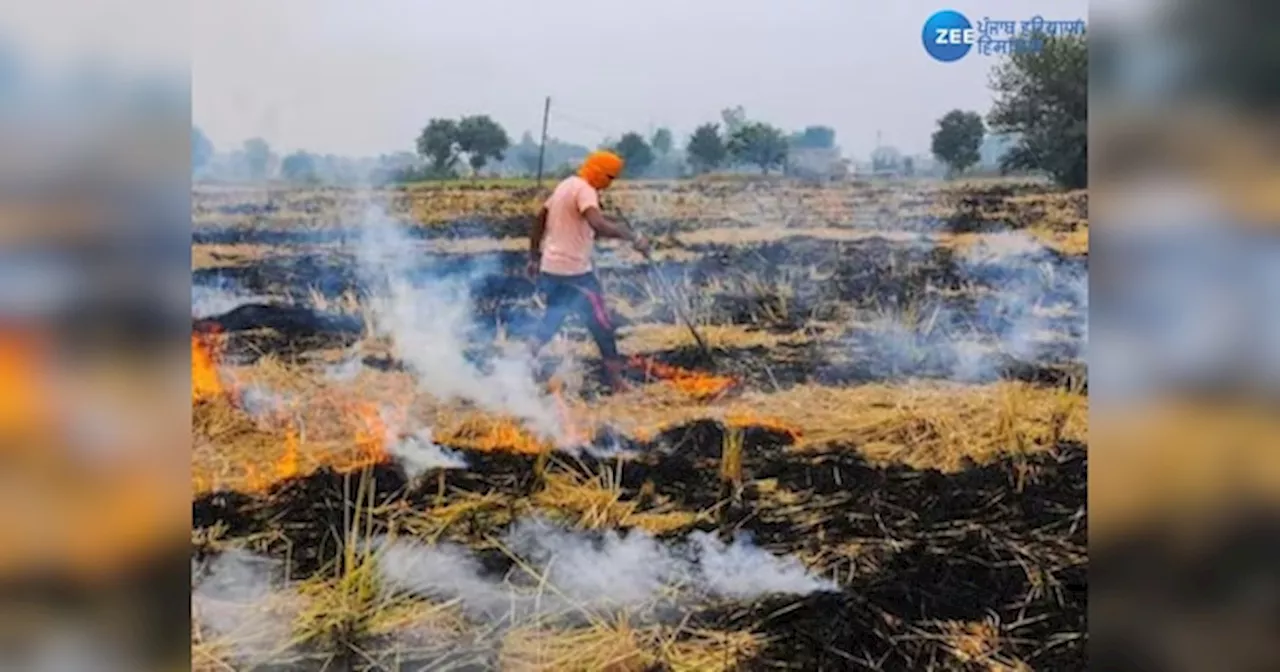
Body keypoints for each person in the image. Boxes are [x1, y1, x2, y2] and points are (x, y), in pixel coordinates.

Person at [527, 150, 650, 393]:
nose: (610, 184)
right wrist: (632, 236)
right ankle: (616, 381)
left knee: (554, 317)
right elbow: (597, 224)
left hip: (551, 269)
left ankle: (522, 362)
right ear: (598, 172)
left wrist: (534, 256)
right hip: (574, 272)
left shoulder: (565, 185)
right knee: (602, 323)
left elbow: (540, 219)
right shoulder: (585, 190)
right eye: (609, 177)